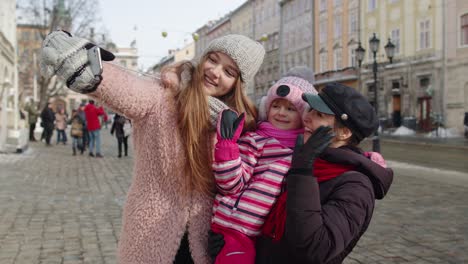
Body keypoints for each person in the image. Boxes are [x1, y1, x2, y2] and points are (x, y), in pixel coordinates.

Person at [40, 30, 265, 263]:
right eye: (213, 59)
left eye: (229, 72)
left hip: (206, 242)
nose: (214, 72)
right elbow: (127, 88)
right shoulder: (162, 95)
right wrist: (91, 71)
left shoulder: (237, 124)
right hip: (150, 235)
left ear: (238, 84)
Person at [252, 82, 394, 263]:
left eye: (318, 114)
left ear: (343, 132)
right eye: (310, 110)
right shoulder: (308, 159)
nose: (306, 117)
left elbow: (316, 249)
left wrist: (303, 172)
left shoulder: (356, 186)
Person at [210, 76, 316, 264]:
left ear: (304, 115)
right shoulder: (255, 140)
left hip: (267, 234)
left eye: (291, 108)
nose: (281, 112)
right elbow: (230, 185)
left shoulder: (305, 149)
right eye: (276, 106)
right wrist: (227, 147)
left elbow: (334, 157)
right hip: (236, 226)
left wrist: (367, 158)